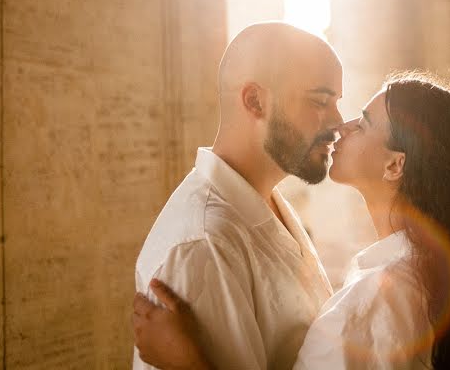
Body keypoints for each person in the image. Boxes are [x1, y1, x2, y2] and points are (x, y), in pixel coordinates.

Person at [134, 73, 450, 369]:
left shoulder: (374, 304)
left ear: (395, 164)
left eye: (362, 123)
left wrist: (185, 362)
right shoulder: (431, 279)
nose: (339, 126)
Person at [133, 22, 344, 370]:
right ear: (255, 101)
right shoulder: (202, 245)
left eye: (336, 101)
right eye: (320, 100)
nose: (338, 120)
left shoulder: (268, 203)